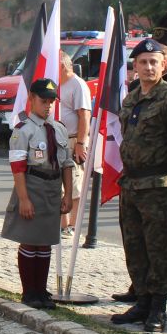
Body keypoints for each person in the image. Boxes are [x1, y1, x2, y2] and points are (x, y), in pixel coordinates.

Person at [110, 38, 167, 332]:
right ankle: (141, 299)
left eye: (154, 62)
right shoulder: (131, 98)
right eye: (143, 62)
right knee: (134, 245)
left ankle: (158, 307)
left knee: (158, 248)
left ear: (164, 64)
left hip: (159, 184)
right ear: (136, 66)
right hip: (131, 183)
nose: (149, 67)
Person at [1, 78, 75, 309]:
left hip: (52, 189)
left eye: (52, 101)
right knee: (30, 240)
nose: (48, 106)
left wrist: (68, 194)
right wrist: (23, 199)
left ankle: (42, 291)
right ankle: (29, 291)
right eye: (43, 101)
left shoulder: (59, 128)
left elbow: (67, 165)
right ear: (31, 99)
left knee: (45, 241)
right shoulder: (24, 130)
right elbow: (18, 167)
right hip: (32, 186)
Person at [58, 52, 91, 233]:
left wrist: (81, 143)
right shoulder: (56, 84)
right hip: (56, 141)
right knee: (59, 186)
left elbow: (84, 115)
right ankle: (62, 224)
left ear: (62, 66)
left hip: (72, 141)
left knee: (74, 185)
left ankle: (72, 226)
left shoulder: (77, 84)